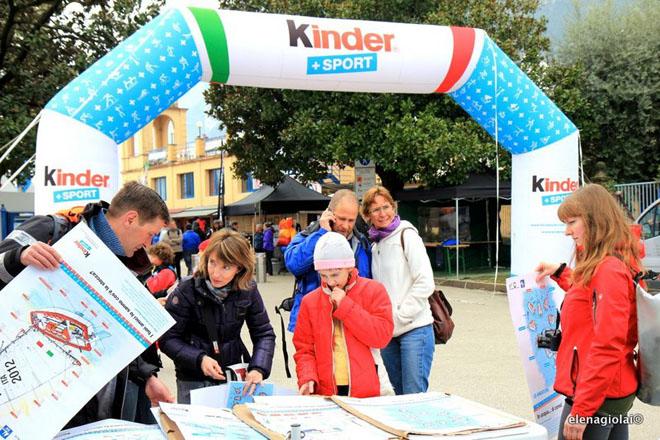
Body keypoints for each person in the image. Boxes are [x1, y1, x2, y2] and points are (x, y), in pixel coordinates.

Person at [0, 181, 174, 427]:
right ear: (131, 219)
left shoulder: (133, 269)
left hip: (94, 409)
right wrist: (19, 257)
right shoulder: (53, 230)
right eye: (150, 233)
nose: (149, 243)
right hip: (28, 396)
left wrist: (147, 376)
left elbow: (128, 338)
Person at [535, 184, 643, 440]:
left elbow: (608, 344)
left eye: (572, 222)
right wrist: (561, 272)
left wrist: (582, 411)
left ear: (595, 221)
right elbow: (590, 296)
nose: (567, 231)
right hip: (609, 390)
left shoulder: (608, 269)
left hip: (596, 396)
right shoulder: (608, 262)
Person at [159, 229, 276, 404]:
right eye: (212, 263)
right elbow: (168, 338)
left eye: (226, 267)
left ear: (240, 268)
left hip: (231, 374)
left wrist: (258, 368)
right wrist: (199, 359)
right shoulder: (186, 289)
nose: (215, 273)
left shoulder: (248, 289)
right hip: (192, 378)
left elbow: (264, 333)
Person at [293, 232, 393, 397]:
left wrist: (346, 305)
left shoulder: (374, 290)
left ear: (350, 267)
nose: (330, 282)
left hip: (368, 389)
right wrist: (307, 376)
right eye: (323, 275)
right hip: (326, 390)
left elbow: (381, 337)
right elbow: (304, 349)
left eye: (335, 274)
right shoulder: (310, 301)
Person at [361, 186, 435, 395]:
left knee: (414, 395)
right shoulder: (375, 245)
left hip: (415, 327)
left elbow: (425, 281)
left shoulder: (407, 235)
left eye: (386, 207)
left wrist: (401, 314)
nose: (382, 213)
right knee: (397, 396)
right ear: (368, 215)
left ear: (394, 207)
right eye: (375, 210)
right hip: (388, 333)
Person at [284, 190, 371, 332]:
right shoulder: (310, 234)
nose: (346, 226)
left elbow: (367, 281)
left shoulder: (361, 243)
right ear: (329, 214)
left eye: (351, 220)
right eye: (341, 219)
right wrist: (322, 234)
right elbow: (294, 264)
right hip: (312, 322)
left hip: (349, 321)